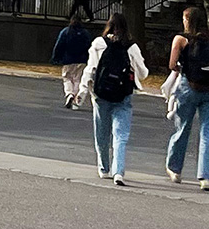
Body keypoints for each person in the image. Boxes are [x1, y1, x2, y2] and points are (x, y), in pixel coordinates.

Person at [77, 12, 148, 186]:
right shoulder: (131, 46)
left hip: (101, 94)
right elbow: (144, 73)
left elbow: (90, 69)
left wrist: (83, 90)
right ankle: (119, 172)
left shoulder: (99, 43)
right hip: (123, 94)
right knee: (121, 135)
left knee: (101, 133)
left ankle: (104, 168)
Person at [166, 6, 209, 190]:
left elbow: (172, 64)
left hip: (188, 87)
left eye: (185, 19)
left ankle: (175, 169)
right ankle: (205, 177)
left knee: (183, 128)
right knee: (208, 133)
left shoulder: (181, 39)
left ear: (188, 21)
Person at [51, 14, 92, 108]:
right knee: (78, 79)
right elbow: (89, 46)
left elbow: (59, 45)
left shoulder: (66, 32)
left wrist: (56, 57)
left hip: (68, 60)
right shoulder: (85, 33)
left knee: (67, 78)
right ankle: (74, 96)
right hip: (82, 60)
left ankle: (69, 94)